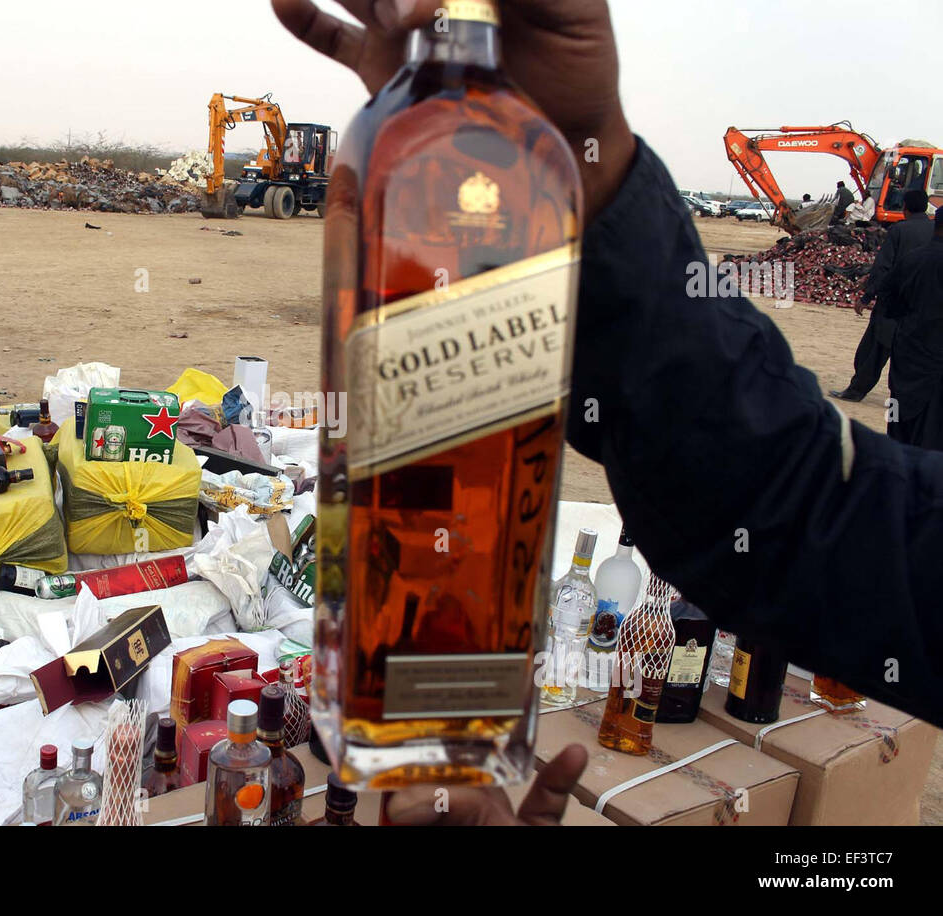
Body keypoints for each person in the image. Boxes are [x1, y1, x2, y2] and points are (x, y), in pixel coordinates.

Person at [273, 0, 943, 823]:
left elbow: (806, 506)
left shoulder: (520, 147)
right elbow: (808, 503)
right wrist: (606, 172)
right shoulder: (419, 134)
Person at [830, 189, 932, 401]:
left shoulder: (900, 231)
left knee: (874, 350)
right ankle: (905, 397)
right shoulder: (934, 231)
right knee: (913, 355)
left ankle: (856, 390)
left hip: (893, 302)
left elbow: (882, 268)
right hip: (923, 305)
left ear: (905, 207)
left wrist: (867, 296)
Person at [884, 211, 943, 449]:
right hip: (937, 362)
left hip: (907, 354)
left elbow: (888, 304)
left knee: (898, 417)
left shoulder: (910, 260)